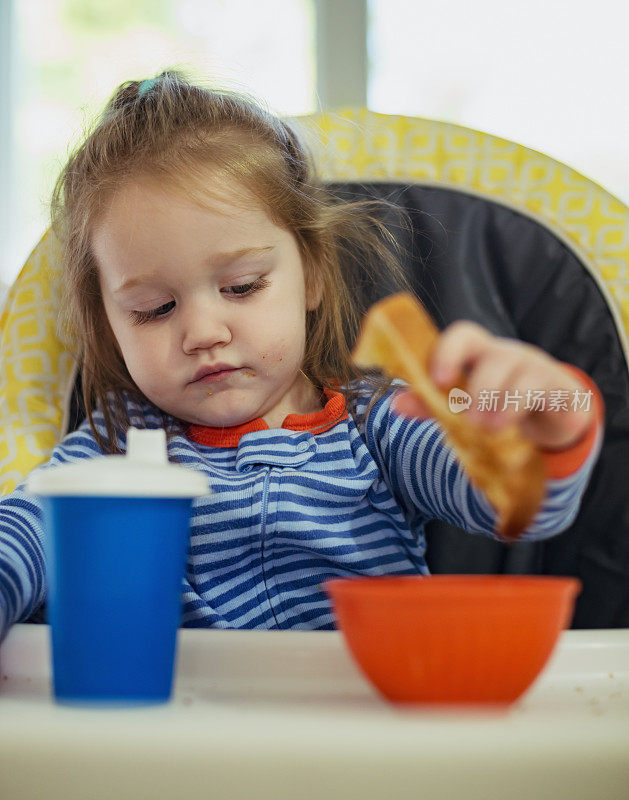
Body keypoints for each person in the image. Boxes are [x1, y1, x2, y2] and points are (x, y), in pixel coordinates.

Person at [0, 72, 604, 642]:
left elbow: (506, 502)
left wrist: (552, 415)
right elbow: (27, 533)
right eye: (155, 309)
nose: (203, 332)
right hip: (190, 733)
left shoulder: (381, 426)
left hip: (368, 720)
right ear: (108, 324)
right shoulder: (114, 451)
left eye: (241, 287)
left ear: (311, 274)